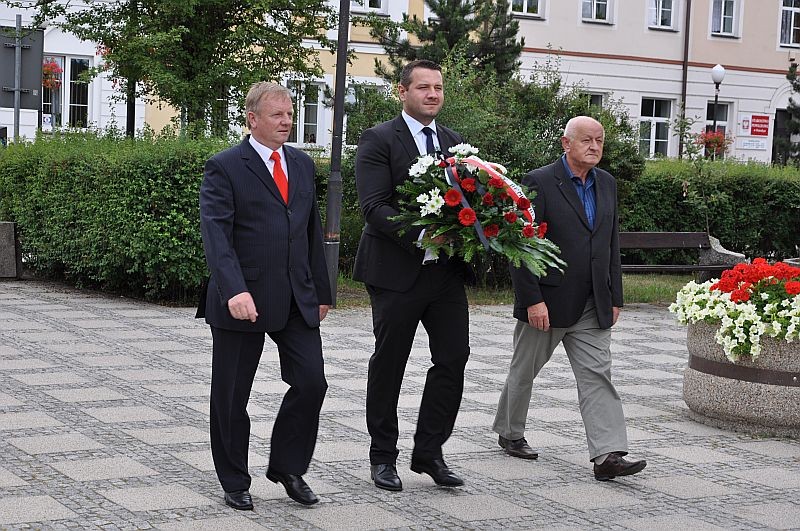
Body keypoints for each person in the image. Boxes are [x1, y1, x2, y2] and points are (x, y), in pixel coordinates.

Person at [198, 81, 332, 509]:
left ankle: (289, 467)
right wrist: (234, 289)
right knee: (232, 396)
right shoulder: (225, 166)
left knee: (312, 381)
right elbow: (216, 235)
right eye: (277, 114)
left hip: (296, 298)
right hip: (244, 300)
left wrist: (322, 291)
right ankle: (235, 479)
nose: (287, 120)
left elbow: (311, 233)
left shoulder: (303, 164)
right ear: (252, 119)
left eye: (290, 113)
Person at [492, 116, 647, 481]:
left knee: (597, 375)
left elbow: (610, 241)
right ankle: (510, 432)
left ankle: (608, 455)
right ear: (566, 143)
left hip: (593, 301)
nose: (594, 147)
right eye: (586, 140)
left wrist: (615, 294)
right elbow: (521, 243)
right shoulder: (539, 182)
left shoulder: (606, 183)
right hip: (548, 301)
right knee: (523, 371)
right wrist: (532, 299)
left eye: (600, 141)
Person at [353, 59, 470, 491]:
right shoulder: (379, 138)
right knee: (390, 364)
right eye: (423, 87)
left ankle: (429, 453)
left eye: (438, 87)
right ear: (402, 92)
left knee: (454, 358)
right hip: (395, 271)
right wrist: (425, 235)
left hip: (444, 275)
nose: (433, 94)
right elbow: (373, 206)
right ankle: (383, 456)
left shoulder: (455, 143)